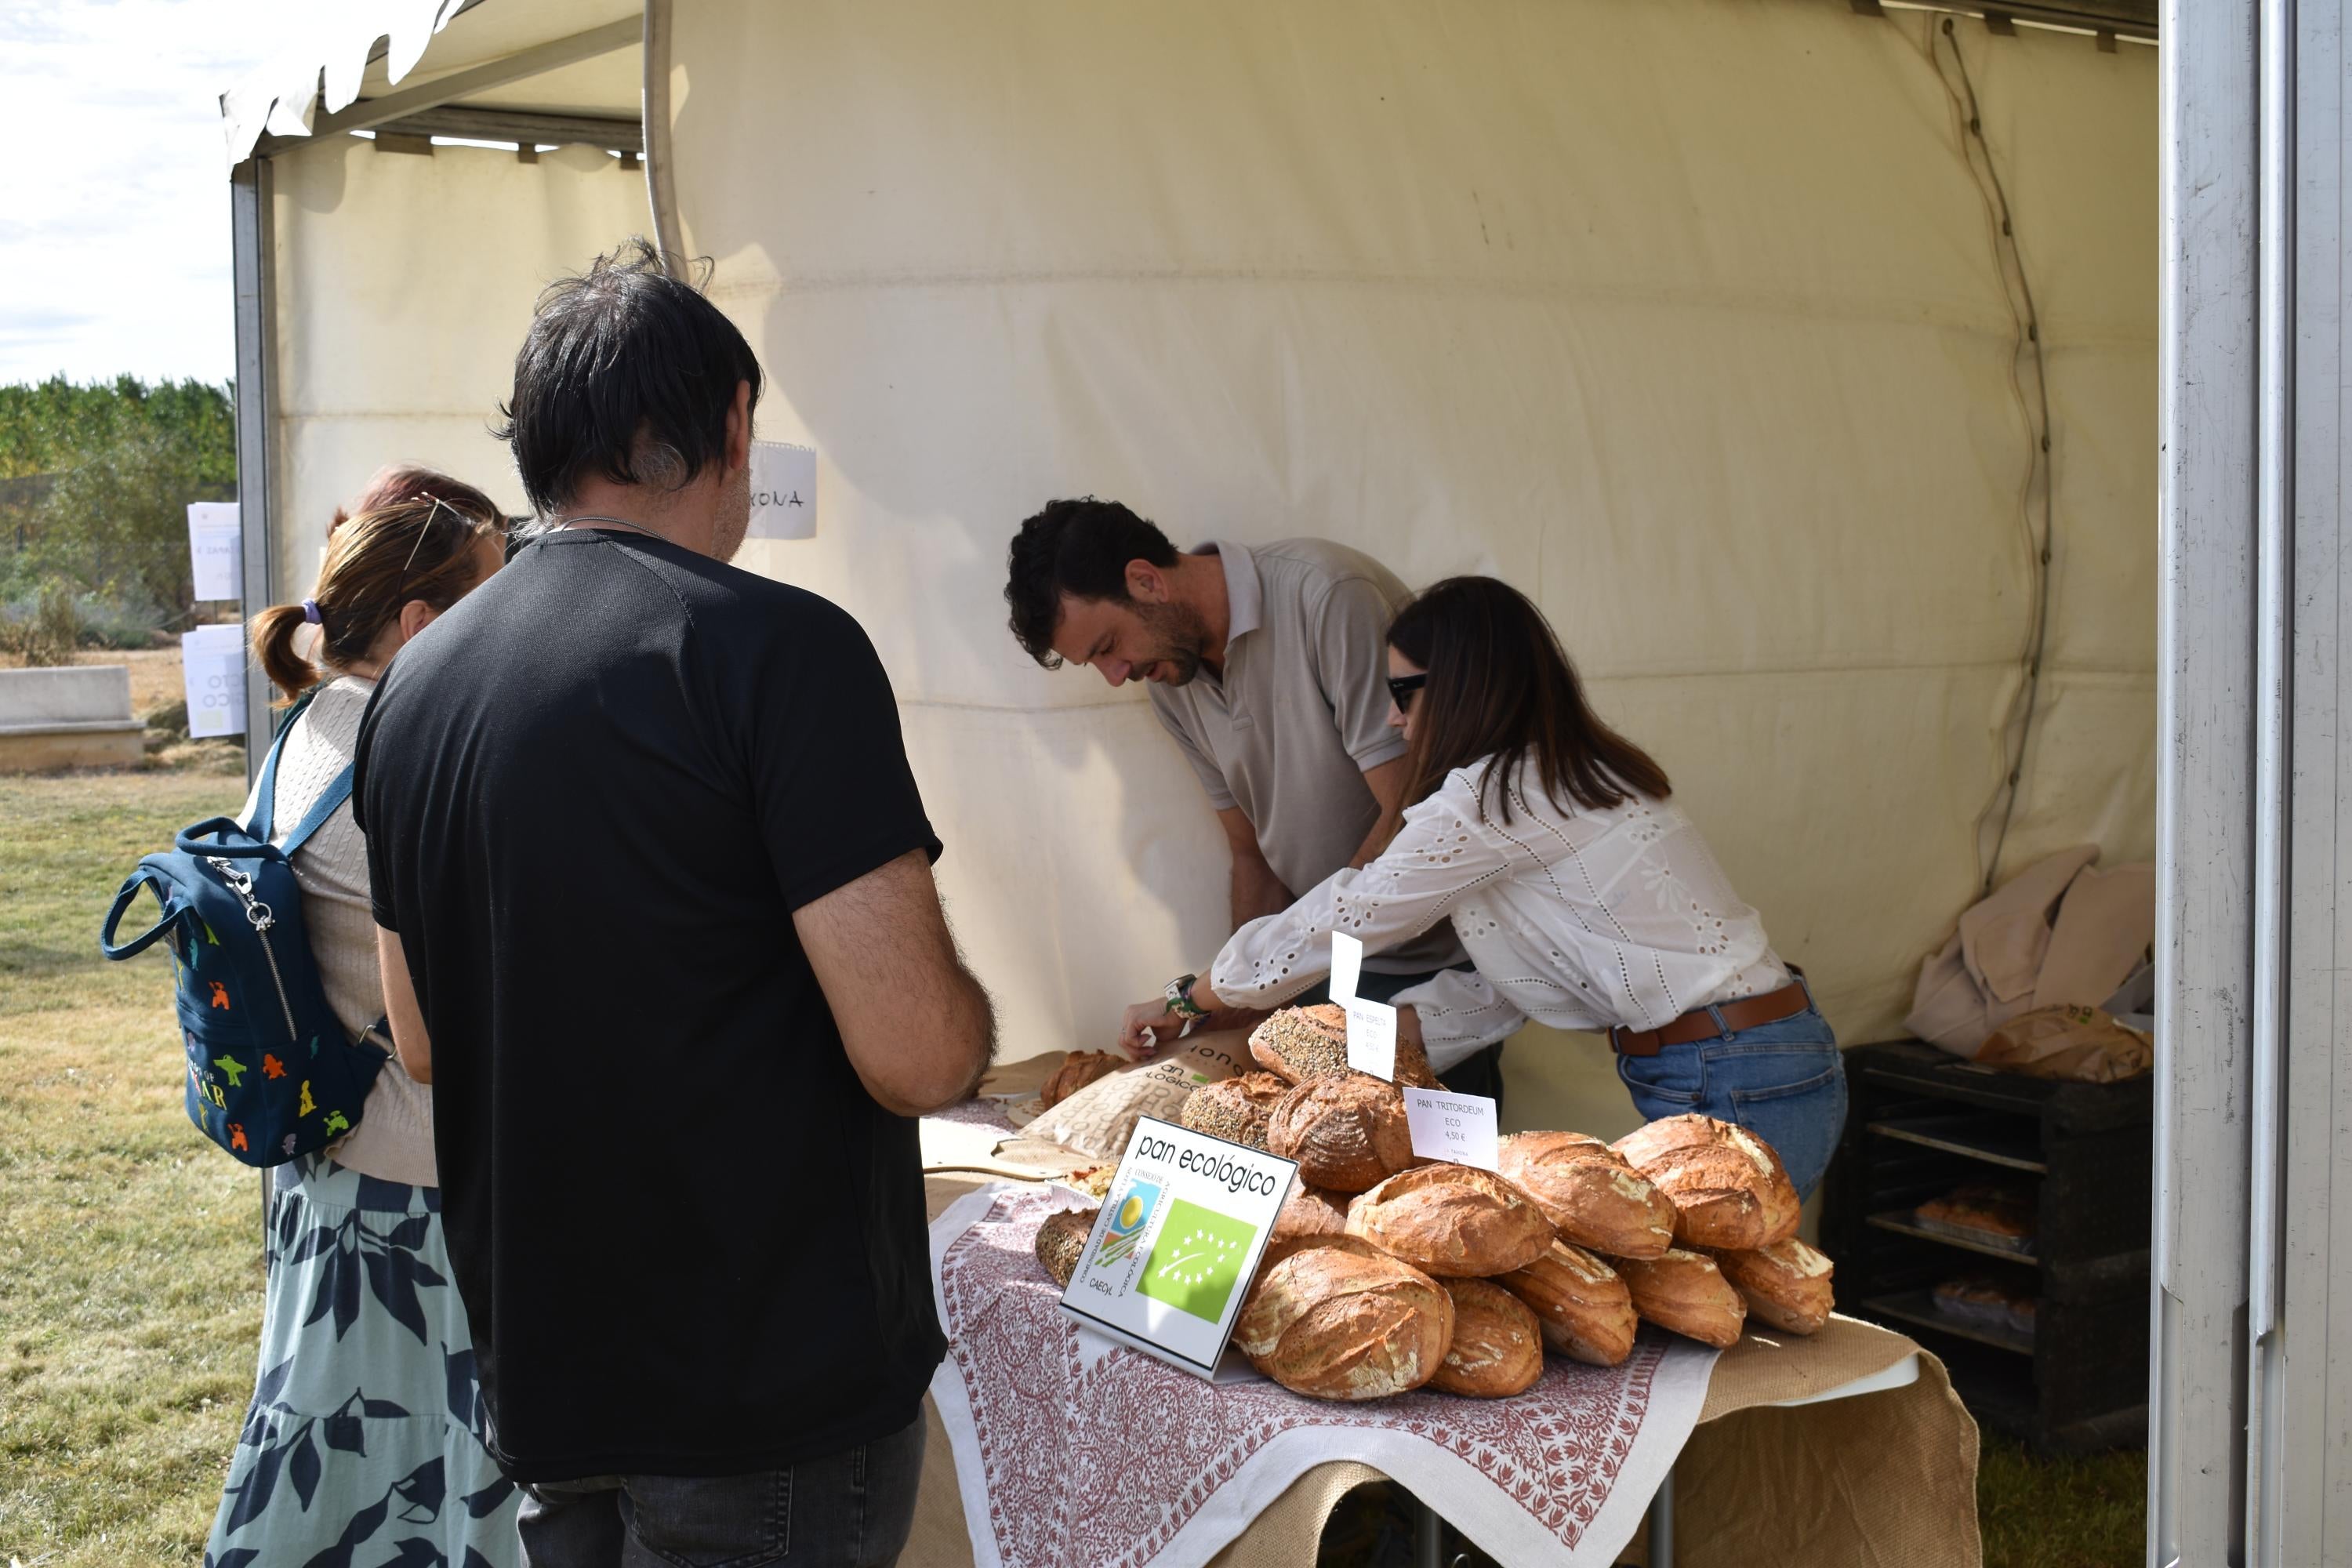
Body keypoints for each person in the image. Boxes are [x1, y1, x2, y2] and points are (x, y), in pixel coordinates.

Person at [353, 241, 997, 1568]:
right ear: (732, 425)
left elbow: (421, 1040)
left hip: (546, 1372)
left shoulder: (412, 689)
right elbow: (922, 1052)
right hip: (764, 1402)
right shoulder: (779, 651)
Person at [1116, 576, 1848, 1196]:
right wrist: (1368, 1036)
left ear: (1465, 684)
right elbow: (1510, 988)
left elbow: (1349, 913)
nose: (1396, 720)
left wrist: (1193, 999)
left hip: (1730, 1070)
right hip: (1742, 1057)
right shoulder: (1564, 778)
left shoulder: (1495, 795)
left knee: (1717, 1323)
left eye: (1404, 692)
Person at [205, 475, 515, 1566]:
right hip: (415, 1194)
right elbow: (441, 1026)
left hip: (329, 1170)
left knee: (336, 1463)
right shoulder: (409, 756)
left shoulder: (305, 731)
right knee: (446, 1477)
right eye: (497, 593)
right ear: (425, 625)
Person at [1003, 499, 1496, 1096]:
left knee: (1430, 1179)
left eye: (1109, 645)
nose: (1116, 674)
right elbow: (1253, 857)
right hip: (1313, 973)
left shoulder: (1328, 596)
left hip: (1434, 979)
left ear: (1146, 580)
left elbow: (1409, 819)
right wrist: (1233, 1000)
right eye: (1097, 663)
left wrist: (1231, 984)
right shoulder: (1171, 681)